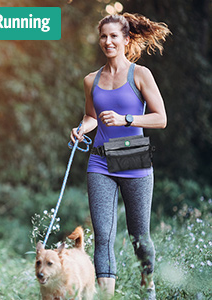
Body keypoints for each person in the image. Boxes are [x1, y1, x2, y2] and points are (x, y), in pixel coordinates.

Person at [69, 12, 169, 300]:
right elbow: (91, 116)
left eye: (114, 36)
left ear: (126, 39)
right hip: (99, 162)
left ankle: (147, 285)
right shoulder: (91, 80)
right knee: (103, 237)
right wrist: (81, 129)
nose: (108, 41)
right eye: (103, 36)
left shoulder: (140, 74)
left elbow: (160, 118)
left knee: (140, 238)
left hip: (133, 159)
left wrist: (127, 119)